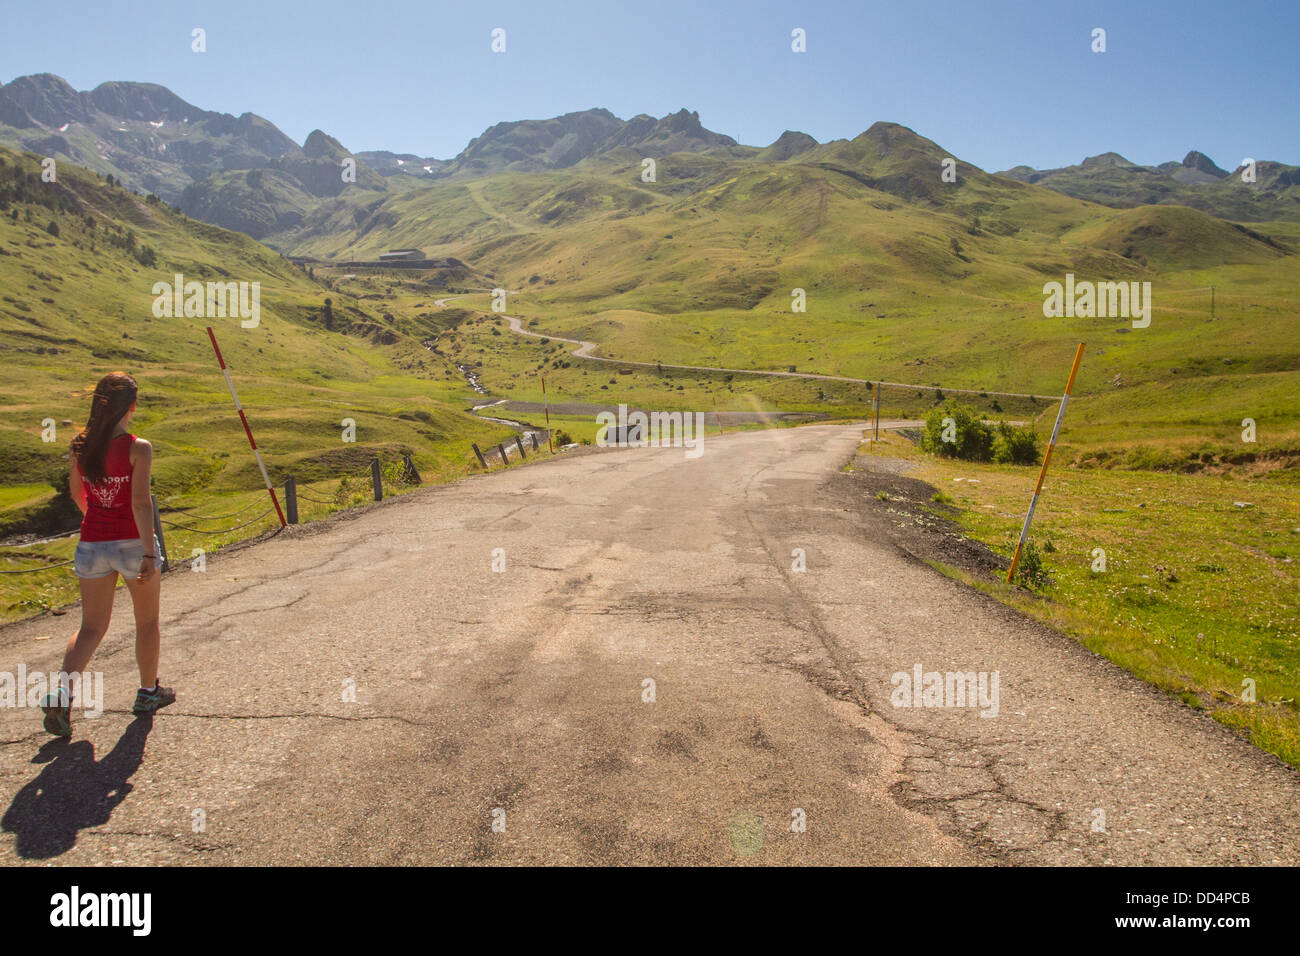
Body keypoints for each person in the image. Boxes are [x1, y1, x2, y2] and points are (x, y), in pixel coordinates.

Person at [40, 372, 175, 736]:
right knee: (146, 622)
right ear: (131, 406)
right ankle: (148, 693)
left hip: (92, 544)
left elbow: (77, 494)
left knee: (91, 627)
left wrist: (96, 521)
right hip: (132, 543)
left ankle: (61, 692)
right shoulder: (138, 447)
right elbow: (141, 504)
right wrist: (149, 553)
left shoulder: (80, 445)